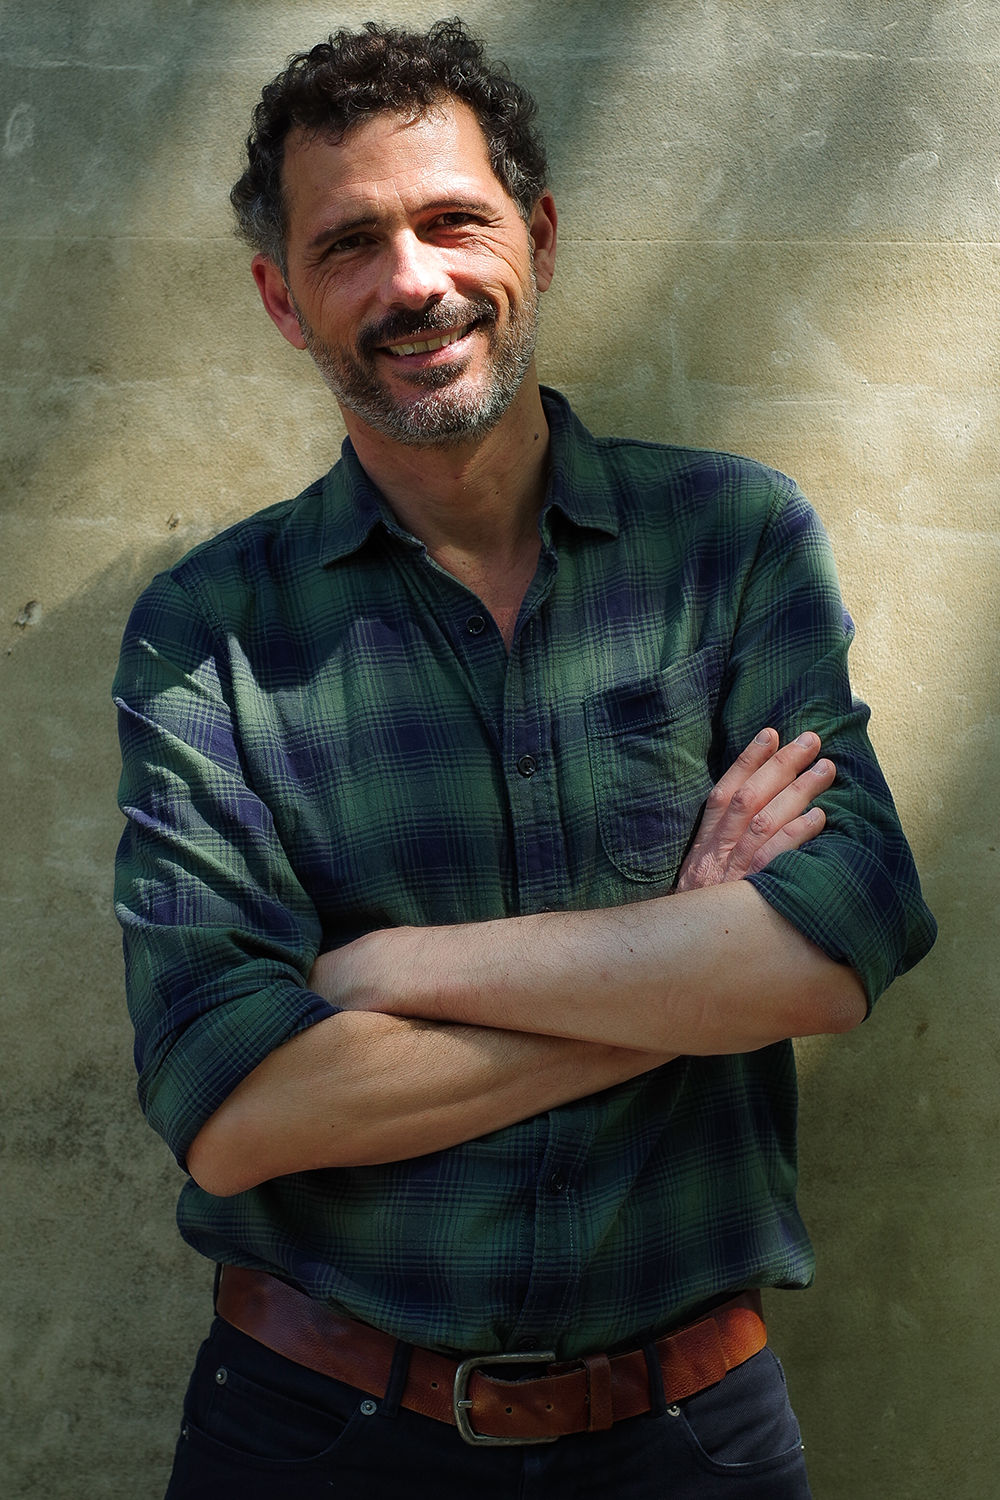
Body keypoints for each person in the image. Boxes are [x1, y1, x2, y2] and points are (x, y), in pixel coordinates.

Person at [113, 19, 936, 1499]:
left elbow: (839, 945)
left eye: (452, 220)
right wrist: (694, 972)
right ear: (282, 297)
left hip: (692, 1434)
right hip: (318, 1431)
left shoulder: (731, 544)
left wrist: (392, 970)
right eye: (348, 243)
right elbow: (234, 1113)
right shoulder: (208, 629)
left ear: (537, 238)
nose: (412, 281)